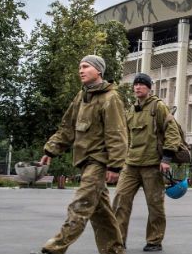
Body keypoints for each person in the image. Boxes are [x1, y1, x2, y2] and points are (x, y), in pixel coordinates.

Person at [37, 55, 127, 254]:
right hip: (85, 162)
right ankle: (114, 250)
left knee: (80, 204)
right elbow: (67, 128)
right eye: (80, 66)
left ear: (98, 71)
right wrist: (50, 150)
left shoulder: (110, 98)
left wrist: (115, 166)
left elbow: (117, 134)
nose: (81, 70)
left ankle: (55, 248)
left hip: (98, 161)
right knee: (101, 213)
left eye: (86, 66)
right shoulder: (81, 96)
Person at [112, 73, 183, 252]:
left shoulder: (158, 107)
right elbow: (125, 136)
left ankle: (154, 241)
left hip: (152, 165)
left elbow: (172, 131)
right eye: (135, 84)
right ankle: (119, 240)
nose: (137, 87)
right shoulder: (131, 109)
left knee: (155, 205)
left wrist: (166, 158)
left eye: (142, 84)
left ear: (149, 87)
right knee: (120, 200)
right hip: (131, 164)